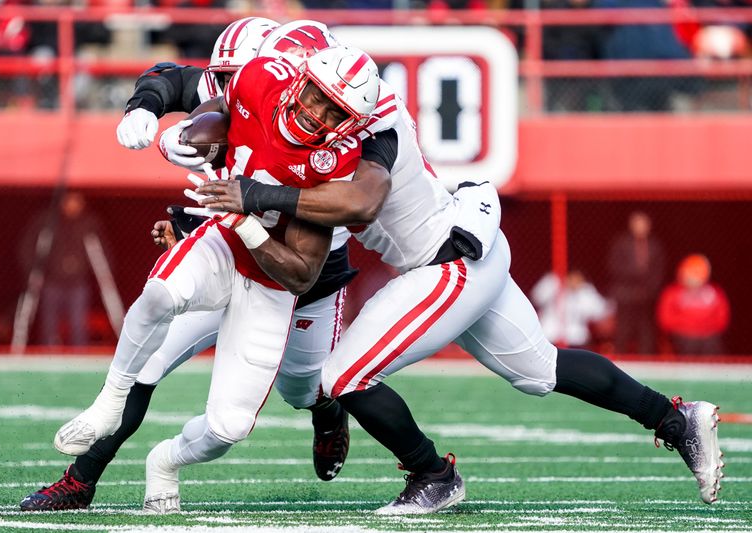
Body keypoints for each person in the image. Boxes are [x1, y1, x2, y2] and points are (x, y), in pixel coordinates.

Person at [194, 75, 723, 513]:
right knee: (540, 370)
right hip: (465, 253)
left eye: (330, 109)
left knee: (343, 376)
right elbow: (218, 102)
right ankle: (677, 420)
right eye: (313, 98)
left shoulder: (374, 132)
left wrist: (255, 192)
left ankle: (433, 475)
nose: (317, 114)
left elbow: (358, 203)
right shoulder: (313, 109)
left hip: (448, 262)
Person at [20, 19, 357, 512]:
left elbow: (294, 238)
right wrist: (143, 110)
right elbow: (170, 77)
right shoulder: (239, 85)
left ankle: (326, 410)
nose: (223, 95)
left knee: (302, 388)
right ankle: (80, 479)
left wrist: (224, 213)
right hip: (229, 251)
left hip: (300, 281)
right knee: (146, 360)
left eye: (235, 82)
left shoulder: (330, 142)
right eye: (224, 81)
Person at [19, 191, 108, 346]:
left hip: (78, 282)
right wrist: (33, 271)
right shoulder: (47, 222)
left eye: (76, 201)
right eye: (69, 201)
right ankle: (49, 358)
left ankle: (79, 358)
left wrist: (105, 274)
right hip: (52, 281)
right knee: (49, 324)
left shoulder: (89, 223)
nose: (72, 205)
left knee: (78, 323)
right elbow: (27, 248)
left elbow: (102, 251)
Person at [607, 211, 665, 354]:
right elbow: (614, 266)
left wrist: (649, 287)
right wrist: (636, 275)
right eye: (638, 223)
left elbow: (659, 269)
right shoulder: (620, 243)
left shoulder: (655, 245)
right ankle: (620, 358)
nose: (641, 227)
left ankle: (647, 359)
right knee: (624, 328)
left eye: (644, 223)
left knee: (646, 329)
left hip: (646, 295)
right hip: (625, 293)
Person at [657, 254, 730, 355]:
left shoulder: (714, 293)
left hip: (708, 337)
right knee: (689, 344)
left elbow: (722, 320)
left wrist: (702, 329)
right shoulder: (672, 293)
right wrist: (690, 328)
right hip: (683, 337)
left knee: (712, 345)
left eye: (697, 273)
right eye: (690, 272)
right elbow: (665, 320)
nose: (693, 278)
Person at [530, 270, 611, 349]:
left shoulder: (585, 291)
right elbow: (537, 298)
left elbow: (599, 311)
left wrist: (581, 293)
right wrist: (559, 286)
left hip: (575, 339)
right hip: (551, 335)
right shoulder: (552, 282)